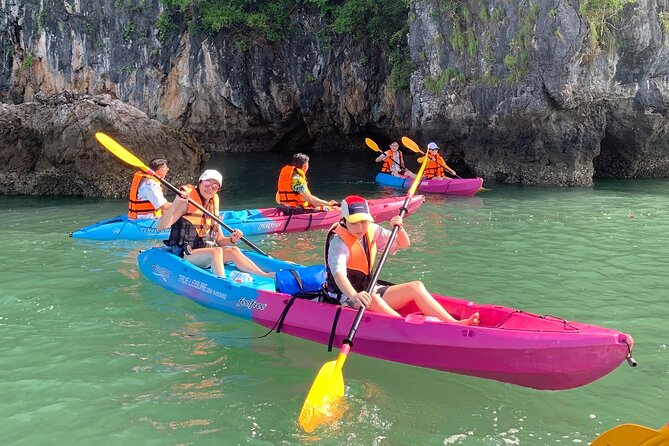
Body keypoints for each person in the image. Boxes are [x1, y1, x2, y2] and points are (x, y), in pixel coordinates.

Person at [323, 195, 479, 325]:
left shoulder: (371, 230)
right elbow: (339, 274)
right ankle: (406, 326)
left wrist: (400, 229)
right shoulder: (338, 242)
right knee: (373, 300)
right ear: (344, 219)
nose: (359, 228)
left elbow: (403, 244)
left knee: (415, 286)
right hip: (344, 296)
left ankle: (453, 323)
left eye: (363, 222)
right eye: (354, 223)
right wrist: (355, 295)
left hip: (369, 289)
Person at [157, 169, 274, 279]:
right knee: (216, 251)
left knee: (233, 250)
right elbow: (161, 226)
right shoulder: (186, 203)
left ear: (218, 189)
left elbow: (220, 241)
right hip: (186, 254)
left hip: (205, 254)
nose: (210, 189)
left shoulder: (212, 206)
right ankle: (223, 282)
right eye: (207, 184)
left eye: (214, 187)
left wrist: (232, 239)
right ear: (200, 182)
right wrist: (176, 202)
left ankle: (264, 275)